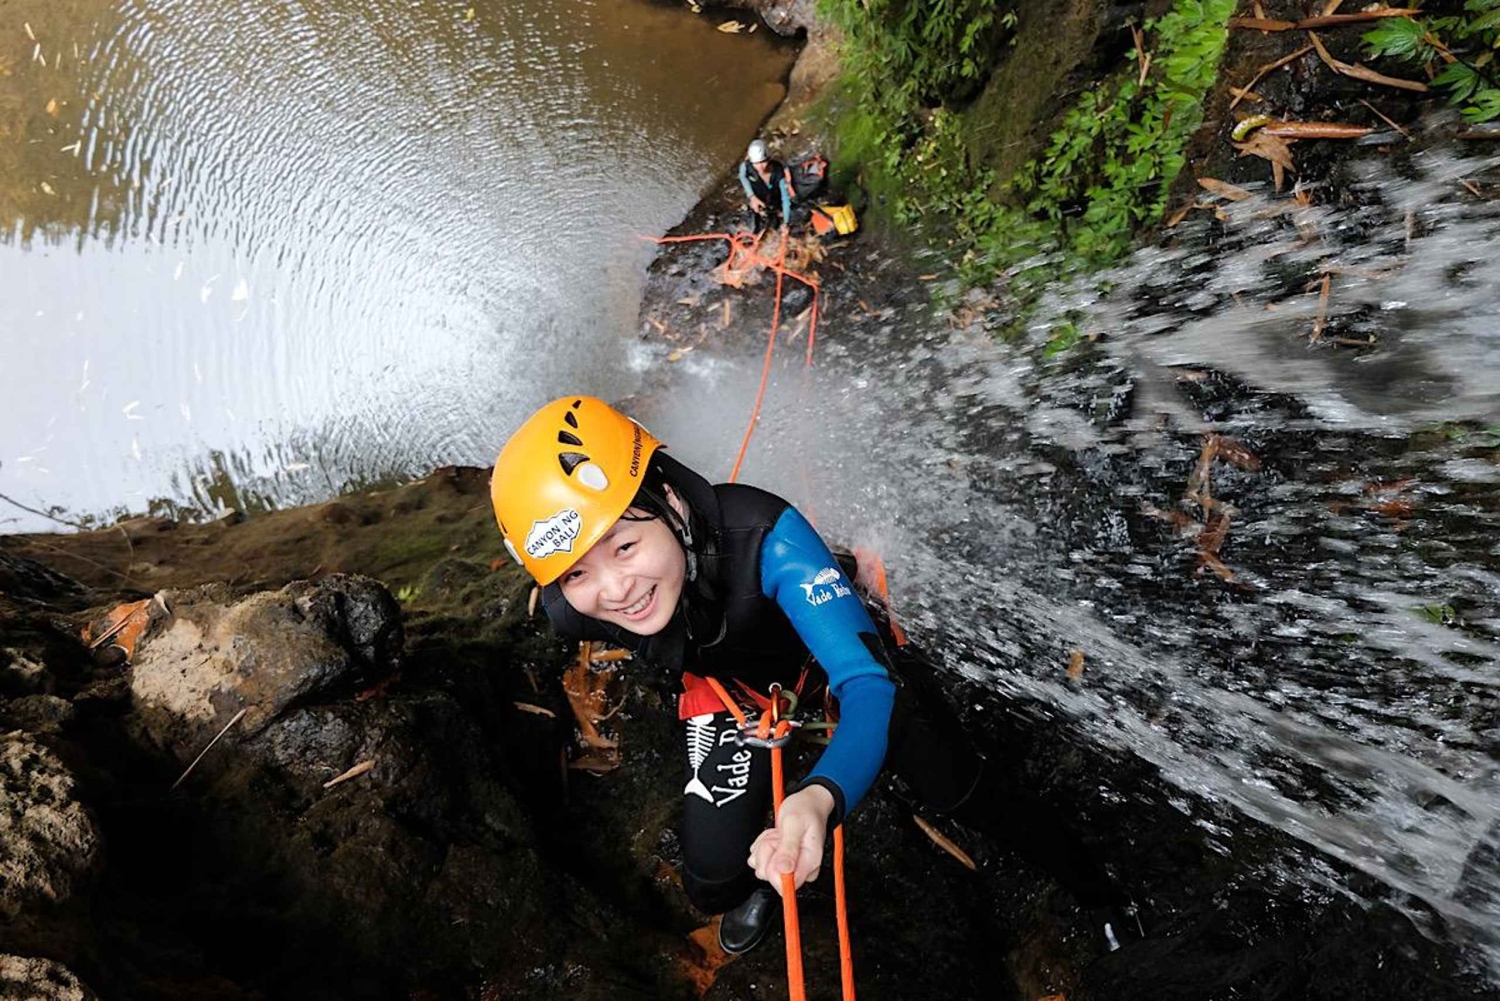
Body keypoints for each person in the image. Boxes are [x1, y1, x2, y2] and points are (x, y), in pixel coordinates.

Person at [489, 396, 1141, 956]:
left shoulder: (768, 540)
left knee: (960, 790)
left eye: (625, 546)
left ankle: (1100, 887)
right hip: (728, 690)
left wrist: (820, 794)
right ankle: (764, 885)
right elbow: (606, 598)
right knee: (711, 879)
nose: (616, 590)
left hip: (824, 659)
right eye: (576, 571)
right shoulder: (572, 610)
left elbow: (867, 686)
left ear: (668, 500)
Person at [739, 139, 791, 238]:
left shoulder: (778, 172)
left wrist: (786, 222)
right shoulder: (746, 167)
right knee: (754, 228)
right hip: (758, 197)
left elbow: (785, 198)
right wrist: (752, 196)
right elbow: (742, 177)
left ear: (768, 159)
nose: (760, 167)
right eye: (756, 163)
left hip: (774, 200)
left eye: (763, 162)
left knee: (774, 227)